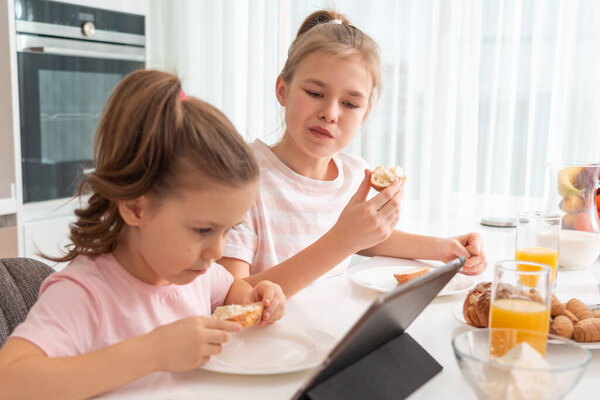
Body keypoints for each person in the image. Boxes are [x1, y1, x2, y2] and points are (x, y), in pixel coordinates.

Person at [0, 70, 285, 399]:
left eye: (228, 230)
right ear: (136, 208)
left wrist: (255, 297)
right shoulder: (84, 294)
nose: (216, 250)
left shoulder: (194, 273)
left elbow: (232, 289)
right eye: (203, 230)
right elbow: (9, 381)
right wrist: (152, 352)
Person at [219, 10, 487, 298]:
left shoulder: (353, 175)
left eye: (349, 103)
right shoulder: (240, 179)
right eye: (315, 93)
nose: (330, 114)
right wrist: (342, 241)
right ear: (283, 90)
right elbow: (229, 295)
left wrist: (441, 248)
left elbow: (365, 238)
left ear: (366, 112)